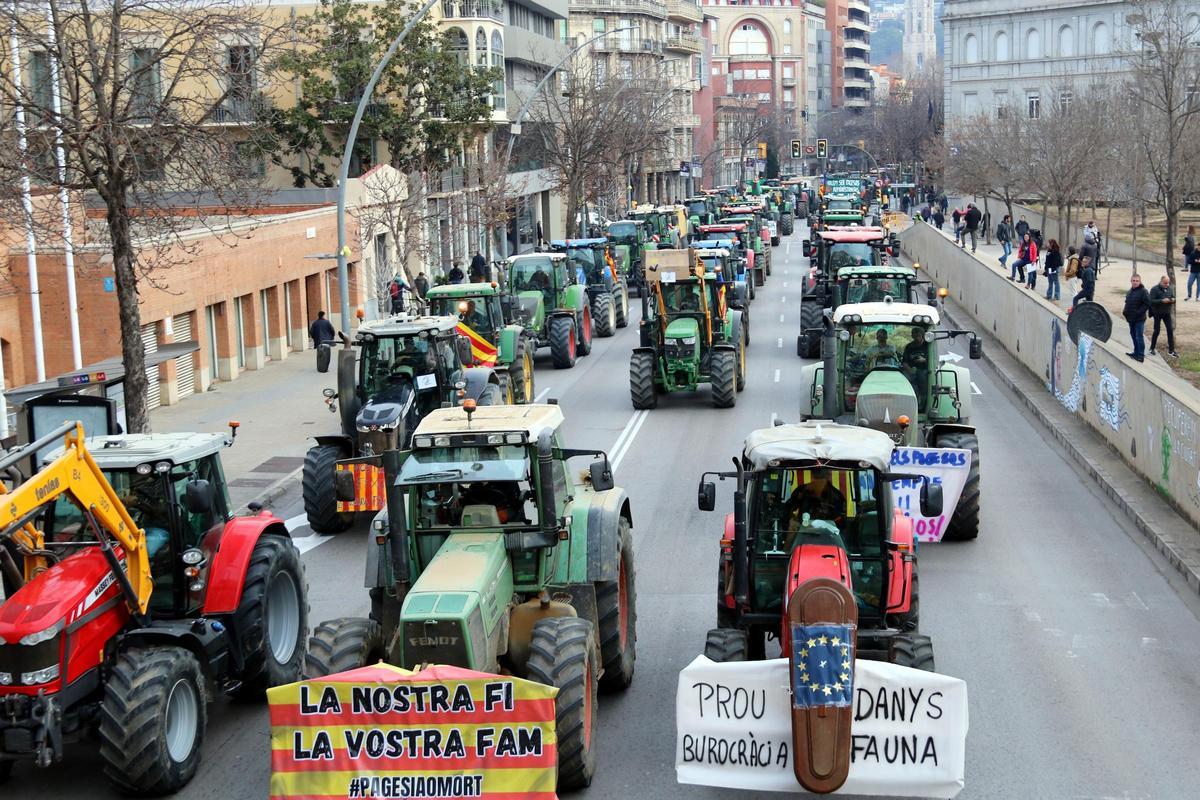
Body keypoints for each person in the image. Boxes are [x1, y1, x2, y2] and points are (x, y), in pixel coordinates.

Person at [1122, 274, 1151, 362]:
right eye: (1133, 281)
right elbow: (1127, 302)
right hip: (1131, 318)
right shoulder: (1130, 291)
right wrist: (1125, 312)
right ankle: (1136, 352)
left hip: (1139, 319)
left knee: (1139, 336)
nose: (1135, 282)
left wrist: (1139, 312)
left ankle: (1141, 355)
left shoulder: (1143, 291)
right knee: (1133, 335)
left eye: (1137, 281)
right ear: (1131, 281)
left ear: (1140, 281)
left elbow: (1147, 304)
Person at [1148, 275, 1178, 358]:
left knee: (1170, 330)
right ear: (1161, 281)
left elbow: (1173, 297)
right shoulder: (1154, 289)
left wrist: (1172, 300)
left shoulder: (1169, 288)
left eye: (1168, 283)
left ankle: (1171, 350)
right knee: (1157, 330)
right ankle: (1152, 348)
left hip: (1166, 312)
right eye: (1165, 283)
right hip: (1157, 312)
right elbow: (1151, 301)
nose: (1167, 284)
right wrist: (1161, 301)